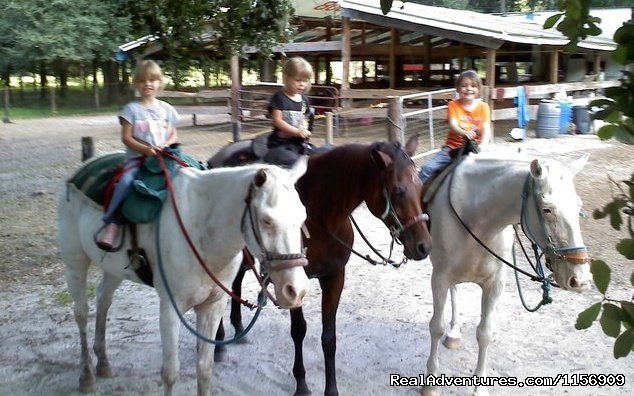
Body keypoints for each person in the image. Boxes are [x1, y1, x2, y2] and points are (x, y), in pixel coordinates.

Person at [97, 60, 180, 250]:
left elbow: (173, 133)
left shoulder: (166, 109)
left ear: (160, 82)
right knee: (126, 182)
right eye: (142, 80)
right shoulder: (131, 110)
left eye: (152, 80)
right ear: (136, 84)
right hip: (138, 159)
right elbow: (126, 137)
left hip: (162, 158)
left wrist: (166, 144)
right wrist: (144, 150)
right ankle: (113, 223)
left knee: (187, 176)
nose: (148, 84)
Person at [418, 70, 491, 184]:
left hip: (475, 148)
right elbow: (453, 125)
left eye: (473, 86)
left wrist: (484, 145)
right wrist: (464, 132)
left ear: (478, 89)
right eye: (464, 85)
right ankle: (418, 197)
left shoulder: (483, 107)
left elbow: (486, 128)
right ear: (458, 88)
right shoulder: (453, 105)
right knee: (427, 169)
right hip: (453, 147)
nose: (469, 89)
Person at [263, 57, 314, 167]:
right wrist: (296, 131)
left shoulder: (304, 100)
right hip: (280, 142)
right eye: (298, 80)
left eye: (305, 81)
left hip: (298, 142)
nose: (302, 84)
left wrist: (304, 128)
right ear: (286, 78)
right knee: (291, 161)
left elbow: (305, 117)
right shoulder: (279, 97)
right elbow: (277, 120)